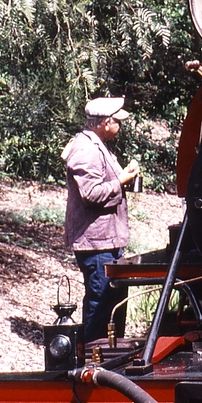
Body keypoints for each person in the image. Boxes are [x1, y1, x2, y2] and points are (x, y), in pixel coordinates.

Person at [62, 97, 140, 342]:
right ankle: (92, 359)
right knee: (100, 303)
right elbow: (92, 194)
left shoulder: (98, 146)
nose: (120, 126)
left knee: (112, 302)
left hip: (107, 241)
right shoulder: (86, 149)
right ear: (106, 123)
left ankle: (110, 354)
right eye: (118, 122)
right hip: (97, 244)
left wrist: (124, 175)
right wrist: (121, 181)